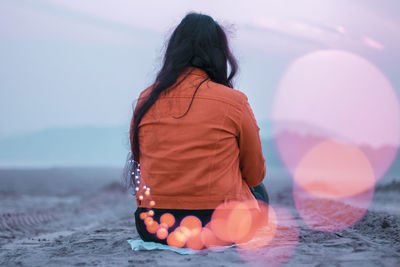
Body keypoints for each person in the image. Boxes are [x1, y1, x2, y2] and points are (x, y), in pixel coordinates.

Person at [125, 12, 267, 246]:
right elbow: (254, 174)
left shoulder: (146, 99)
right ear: (219, 54)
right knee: (259, 192)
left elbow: (140, 159)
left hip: (155, 226)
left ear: (173, 52)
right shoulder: (234, 101)